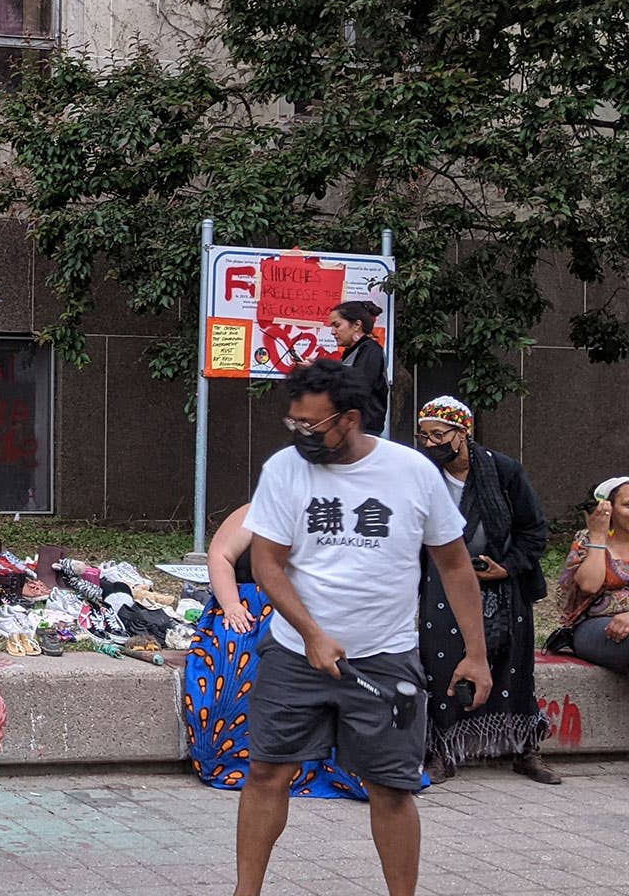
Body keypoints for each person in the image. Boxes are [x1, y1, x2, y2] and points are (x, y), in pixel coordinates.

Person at [234, 358, 491, 896]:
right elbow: (267, 565)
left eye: (313, 425)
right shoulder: (285, 469)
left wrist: (476, 653)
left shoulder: (412, 472)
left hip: (385, 657)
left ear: (349, 419)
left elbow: (453, 564)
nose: (302, 434)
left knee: (391, 788)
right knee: (266, 774)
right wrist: (311, 634)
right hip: (294, 653)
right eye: (294, 423)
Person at [411, 396, 557, 784]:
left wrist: (506, 567)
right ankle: (441, 750)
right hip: (443, 580)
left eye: (439, 435)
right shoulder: (422, 473)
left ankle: (524, 747)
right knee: (440, 663)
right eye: (424, 436)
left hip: (505, 584)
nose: (430, 444)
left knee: (514, 666)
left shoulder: (503, 470)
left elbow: (534, 529)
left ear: (463, 433)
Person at [183, 504, 368, 798]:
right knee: (235, 666)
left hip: (311, 615)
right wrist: (231, 605)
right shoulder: (256, 510)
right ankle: (232, 761)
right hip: (247, 610)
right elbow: (220, 554)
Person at [550, 476, 629, 673]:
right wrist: (599, 537)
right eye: (628, 505)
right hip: (596, 626)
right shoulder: (588, 539)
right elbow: (589, 585)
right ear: (608, 508)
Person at [328, 299, 389, 435]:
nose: (332, 332)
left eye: (337, 325)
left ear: (356, 325)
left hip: (363, 433)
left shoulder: (370, 350)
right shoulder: (353, 351)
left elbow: (359, 387)